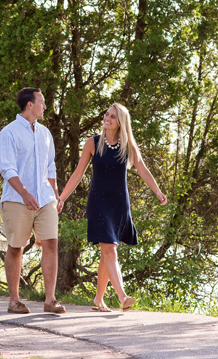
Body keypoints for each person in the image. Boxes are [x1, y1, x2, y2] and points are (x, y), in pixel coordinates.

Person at [57, 102, 167, 312]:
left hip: (119, 204)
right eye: (106, 114)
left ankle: (98, 300)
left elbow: (142, 170)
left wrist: (157, 191)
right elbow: (78, 173)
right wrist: (61, 198)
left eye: (112, 117)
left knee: (108, 250)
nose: (107, 118)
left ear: (121, 123)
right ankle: (122, 296)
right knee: (109, 250)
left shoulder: (128, 147)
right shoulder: (93, 143)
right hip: (98, 203)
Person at [0, 87, 66, 315]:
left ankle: (50, 300)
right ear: (30, 104)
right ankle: (14, 301)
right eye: (42, 102)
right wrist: (25, 193)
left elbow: (50, 166)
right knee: (16, 248)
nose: (45, 106)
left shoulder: (45, 133)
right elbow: (7, 168)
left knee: (51, 243)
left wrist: (56, 195)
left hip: (45, 199)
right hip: (17, 200)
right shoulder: (8, 133)